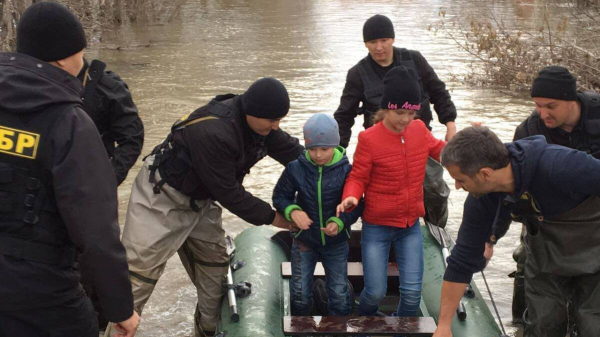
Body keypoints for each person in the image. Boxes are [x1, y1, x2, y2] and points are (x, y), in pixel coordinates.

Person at [116, 78, 304, 337]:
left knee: (215, 271)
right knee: (137, 279)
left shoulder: (262, 127)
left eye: (280, 119)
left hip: (201, 202)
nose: (276, 126)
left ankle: (204, 331)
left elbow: (295, 154)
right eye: (272, 120)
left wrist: (333, 172)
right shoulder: (214, 131)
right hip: (162, 197)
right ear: (252, 111)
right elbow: (230, 194)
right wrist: (275, 217)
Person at [0, 2, 139, 337]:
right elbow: (96, 234)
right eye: (80, 51)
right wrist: (120, 308)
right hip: (43, 292)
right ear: (63, 57)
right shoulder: (69, 122)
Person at [432, 126, 600, 337]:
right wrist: (444, 326)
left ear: (485, 174)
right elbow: (462, 261)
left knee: (592, 325)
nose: (456, 186)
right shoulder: (480, 199)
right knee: (543, 325)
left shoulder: (562, 165)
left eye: (460, 179)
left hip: (595, 246)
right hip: (546, 254)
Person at [337, 66, 446, 317]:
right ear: (386, 107)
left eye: (411, 112)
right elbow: (357, 176)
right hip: (377, 227)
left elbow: (444, 153)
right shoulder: (369, 138)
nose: (405, 119)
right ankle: (364, 322)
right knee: (375, 291)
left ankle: (400, 330)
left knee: (411, 294)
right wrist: (351, 196)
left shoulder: (419, 130)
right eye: (399, 112)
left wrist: (470, 142)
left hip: (410, 227)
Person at [510, 66, 600, 323]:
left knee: (592, 318)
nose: (543, 113)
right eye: (538, 106)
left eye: (551, 106)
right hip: (549, 222)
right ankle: (519, 323)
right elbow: (512, 184)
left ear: (572, 100)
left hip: (595, 219)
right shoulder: (529, 131)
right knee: (527, 264)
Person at [273, 113, 363, 317]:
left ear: (335, 145)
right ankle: (302, 327)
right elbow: (280, 196)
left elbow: (357, 206)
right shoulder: (296, 168)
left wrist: (339, 222)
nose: (318, 155)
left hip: (337, 243)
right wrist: (292, 211)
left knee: (339, 292)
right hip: (304, 241)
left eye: (324, 149)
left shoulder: (347, 171)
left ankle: (338, 328)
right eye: (312, 149)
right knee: (300, 293)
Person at [333, 14, 457, 147]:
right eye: (373, 42)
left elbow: (439, 92)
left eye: (384, 40)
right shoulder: (357, 74)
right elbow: (344, 116)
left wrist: (450, 125)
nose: (379, 47)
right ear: (366, 44)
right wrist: (336, 152)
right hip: (381, 146)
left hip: (419, 141)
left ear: (393, 39)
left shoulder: (415, 60)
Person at [77, 58, 144, 185]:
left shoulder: (108, 89)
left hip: (91, 186)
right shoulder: (34, 82)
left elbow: (132, 140)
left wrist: (106, 182)